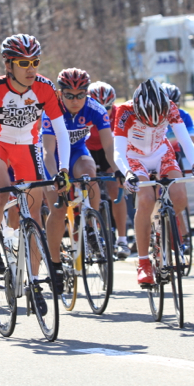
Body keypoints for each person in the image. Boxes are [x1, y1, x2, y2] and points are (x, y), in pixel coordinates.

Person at [0, 34, 71, 304]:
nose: (31, 69)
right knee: (0, 193)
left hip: (27, 146)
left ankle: (35, 281)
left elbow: (61, 133)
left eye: (35, 62)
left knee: (34, 213)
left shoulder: (45, 88)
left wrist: (63, 170)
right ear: (8, 65)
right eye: (24, 63)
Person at [114, 79, 194, 287]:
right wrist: (128, 173)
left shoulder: (171, 108)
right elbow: (118, 151)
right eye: (147, 121)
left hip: (161, 152)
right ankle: (143, 263)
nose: (153, 125)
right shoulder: (125, 111)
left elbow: (185, 140)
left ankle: (164, 227)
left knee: (180, 197)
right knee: (145, 199)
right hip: (134, 156)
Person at [43, 68, 122, 287]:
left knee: (89, 170)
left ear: (87, 93)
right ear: (61, 94)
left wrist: (118, 169)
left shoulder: (95, 108)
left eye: (81, 95)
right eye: (69, 95)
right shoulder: (51, 110)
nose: (75, 100)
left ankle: (90, 225)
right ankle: (55, 263)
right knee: (58, 208)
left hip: (78, 152)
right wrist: (56, 176)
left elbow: (108, 145)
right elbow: (48, 152)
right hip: (53, 157)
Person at [87, 82, 131, 258]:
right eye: (99, 108)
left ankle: (122, 239)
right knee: (89, 187)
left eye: (107, 108)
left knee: (116, 189)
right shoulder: (84, 110)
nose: (103, 112)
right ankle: (91, 231)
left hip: (109, 150)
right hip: (87, 150)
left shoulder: (120, 113)